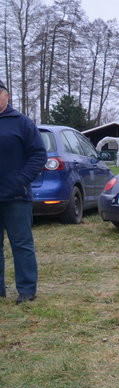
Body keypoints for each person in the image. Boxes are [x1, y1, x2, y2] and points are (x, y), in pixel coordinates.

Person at [0, 79, 46, 305]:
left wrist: (21, 180)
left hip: (16, 197)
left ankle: (27, 290)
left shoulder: (21, 123)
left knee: (22, 244)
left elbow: (38, 155)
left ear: (6, 96)